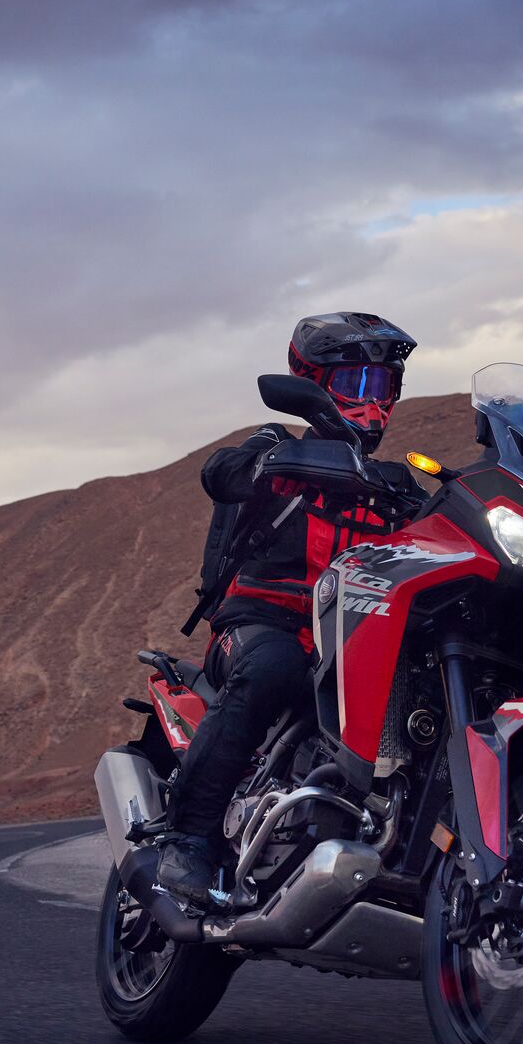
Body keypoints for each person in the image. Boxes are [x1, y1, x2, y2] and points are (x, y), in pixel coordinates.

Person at [155, 312, 419, 906]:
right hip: (262, 623)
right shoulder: (275, 448)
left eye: (384, 388)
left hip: (353, 643)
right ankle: (188, 840)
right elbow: (218, 473)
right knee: (274, 670)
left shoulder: (394, 484)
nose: (373, 404)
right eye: (357, 385)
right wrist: (269, 466)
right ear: (314, 383)